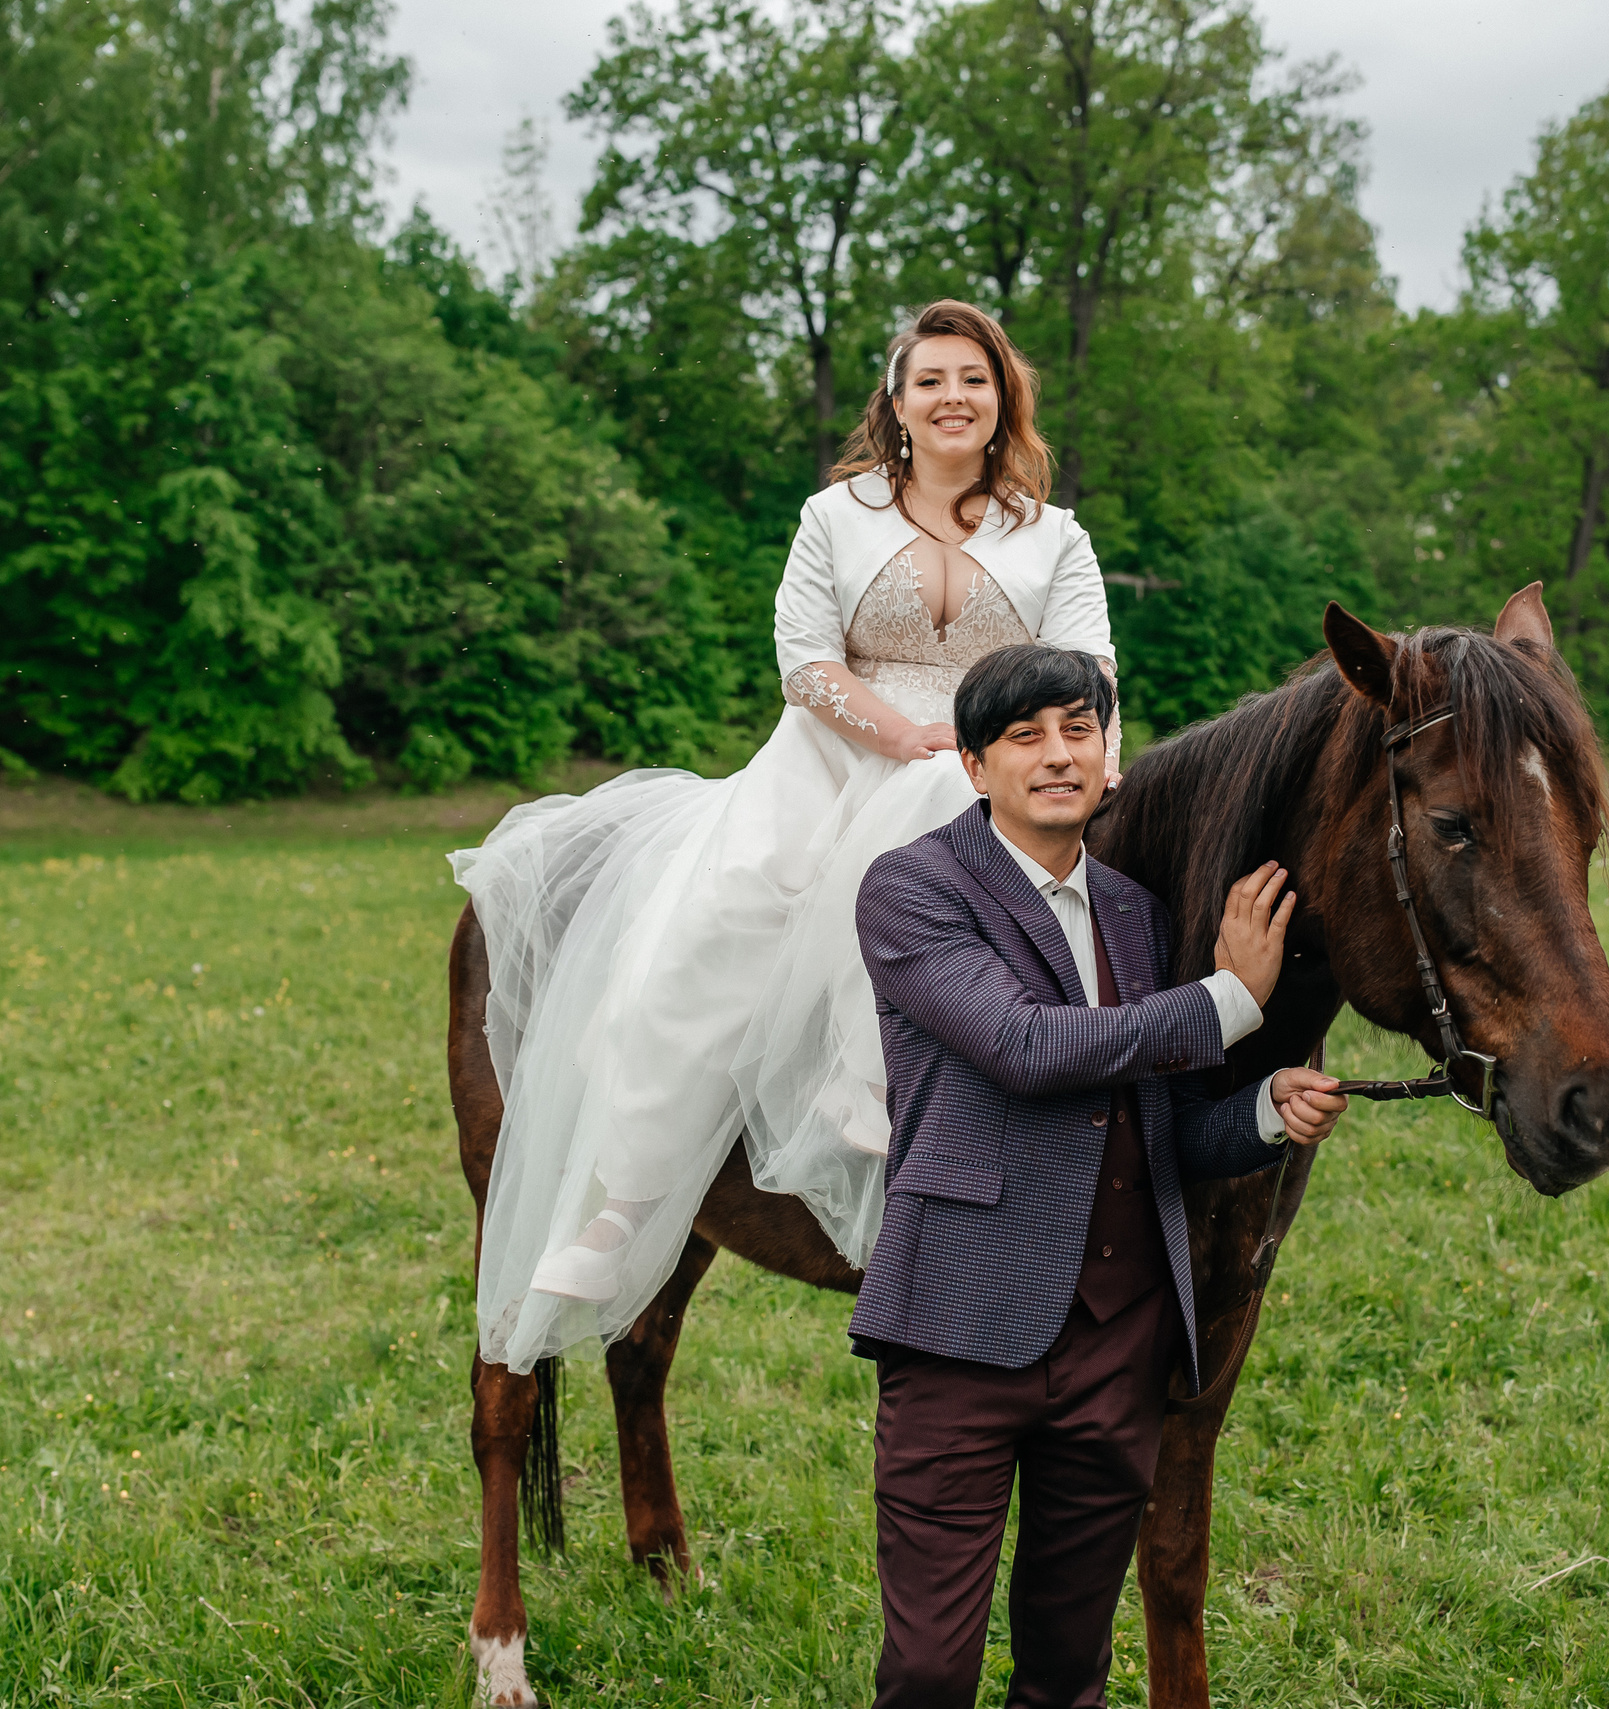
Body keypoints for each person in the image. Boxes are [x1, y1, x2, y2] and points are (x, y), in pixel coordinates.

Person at [449, 301, 1121, 1372]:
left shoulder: (1053, 536)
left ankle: (886, 1089)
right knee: (711, 922)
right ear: (896, 405)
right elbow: (806, 661)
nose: (954, 397)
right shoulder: (836, 516)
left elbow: (1091, 670)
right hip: (835, 751)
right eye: (931, 380)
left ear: (1004, 402)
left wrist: (1049, 763)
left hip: (992, 760)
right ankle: (620, 1203)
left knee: (946, 819)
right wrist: (905, 733)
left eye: (975, 380)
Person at [850, 644, 1349, 1708]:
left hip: (1118, 1342)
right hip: (962, 1332)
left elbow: (1153, 1128)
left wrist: (1264, 1111)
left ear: (1107, 753)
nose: (1057, 754)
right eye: (1025, 736)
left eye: (1079, 729)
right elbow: (1025, 1047)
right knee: (931, 1672)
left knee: (1070, 1669)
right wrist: (1226, 999)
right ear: (976, 765)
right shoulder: (911, 890)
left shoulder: (1135, 910)